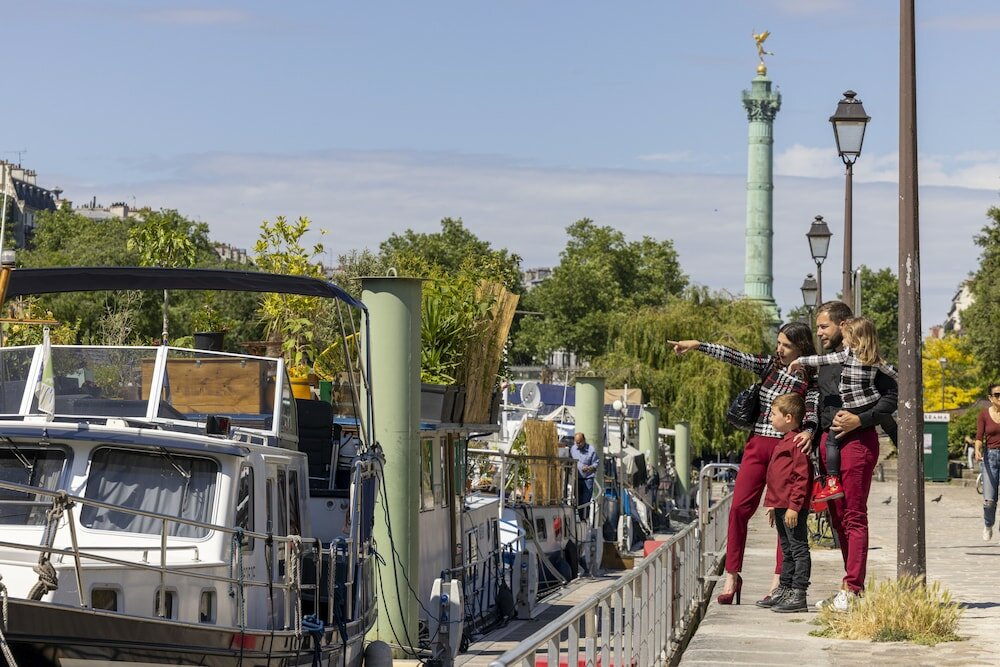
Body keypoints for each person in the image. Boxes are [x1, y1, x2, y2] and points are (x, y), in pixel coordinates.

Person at [670, 321, 819, 606]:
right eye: (779, 343)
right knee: (738, 508)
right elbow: (735, 356)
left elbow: (811, 413)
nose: (780, 349)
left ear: (801, 347)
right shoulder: (770, 366)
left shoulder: (810, 379)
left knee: (783, 516)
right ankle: (732, 576)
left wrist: (809, 433)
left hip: (786, 451)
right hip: (757, 446)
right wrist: (698, 345)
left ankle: (779, 582)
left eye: (786, 345)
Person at [810, 301, 897, 612]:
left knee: (854, 515)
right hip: (828, 443)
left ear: (843, 325)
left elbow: (892, 396)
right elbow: (817, 402)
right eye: (817, 327)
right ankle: (848, 589)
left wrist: (860, 419)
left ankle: (853, 588)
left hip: (857, 442)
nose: (820, 332)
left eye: (824, 326)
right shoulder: (825, 362)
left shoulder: (865, 358)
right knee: (837, 518)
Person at [790, 316, 898, 503]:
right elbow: (895, 372)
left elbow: (822, 359)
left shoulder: (846, 355)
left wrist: (800, 360)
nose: (844, 340)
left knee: (832, 440)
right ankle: (900, 441)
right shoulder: (875, 359)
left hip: (851, 405)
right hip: (870, 400)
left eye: (846, 337)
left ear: (854, 338)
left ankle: (832, 481)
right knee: (885, 419)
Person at [758, 393, 812, 613]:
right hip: (781, 505)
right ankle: (785, 588)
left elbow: (801, 477)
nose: (770, 418)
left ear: (788, 417)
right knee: (787, 549)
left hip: (791, 508)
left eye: (773, 414)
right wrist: (773, 503)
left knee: (798, 549)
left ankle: (798, 593)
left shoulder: (797, 442)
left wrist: (794, 507)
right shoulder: (784, 441)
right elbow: (778, 478)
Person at [974, 384, 1000, 541]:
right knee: (989, 500)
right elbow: (979, 437)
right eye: (997, 395)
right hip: (990, 457)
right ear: (990, 398)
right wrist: (977, 450)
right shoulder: (984, 414)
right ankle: (988, 524)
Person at [570, 432, 599, 519]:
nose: (578, 444)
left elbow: (596, 463)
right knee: (578, 501)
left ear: (584, 441)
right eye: (576, 442)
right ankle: (579, 519)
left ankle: (585, 519)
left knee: (585, 501)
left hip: (587, 479)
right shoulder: (573, 449)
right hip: (577, 478)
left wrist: (589, 468)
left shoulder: (591, 450)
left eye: (579, 442)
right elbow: (570, 460)